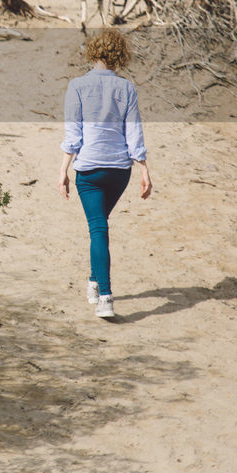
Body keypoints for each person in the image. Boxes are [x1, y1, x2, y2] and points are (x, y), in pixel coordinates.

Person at [57, 27, 152, 319]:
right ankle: (94, 281)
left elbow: (73, 135)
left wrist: (63, 170)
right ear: (119, 55)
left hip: (89, 169)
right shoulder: (126, 88)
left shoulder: (77, 86)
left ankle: (106, 297)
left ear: (93, 52)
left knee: (98, 228)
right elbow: (133, 132)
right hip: (119, 171)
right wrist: (144, 169)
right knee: (99, 225)